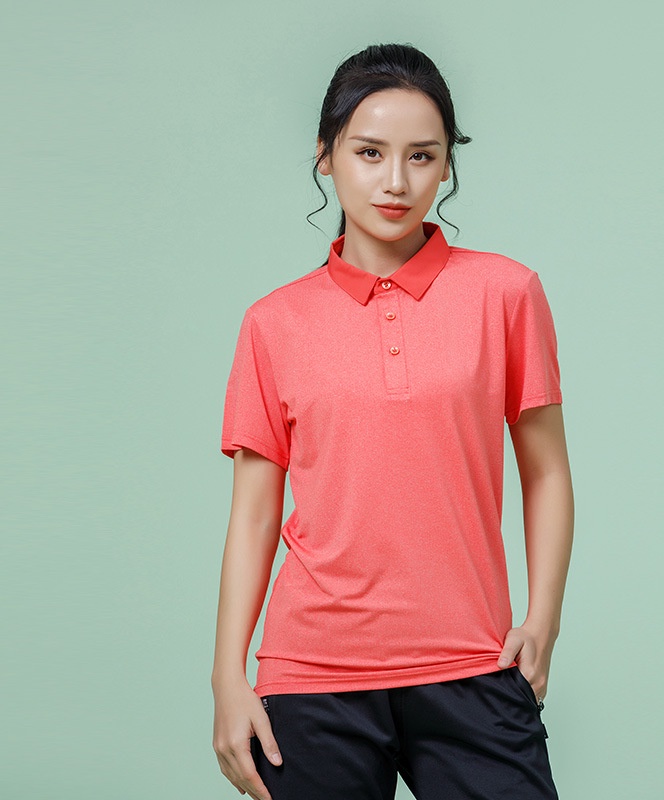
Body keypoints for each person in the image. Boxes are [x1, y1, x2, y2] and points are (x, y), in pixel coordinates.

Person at [211, 42, 574, 800]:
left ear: (446, 165)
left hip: (473, 659)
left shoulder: (506, 294)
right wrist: (227, 677)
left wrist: (542, 621)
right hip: (312, 676)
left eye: (422, 156)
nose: (396, 181)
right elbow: (254, 516)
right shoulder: (273, 323)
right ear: (326, 156)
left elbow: (545, 472)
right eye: (370, 152)